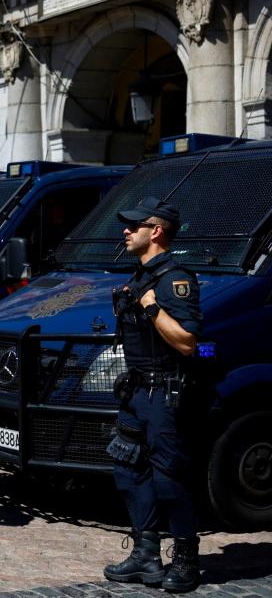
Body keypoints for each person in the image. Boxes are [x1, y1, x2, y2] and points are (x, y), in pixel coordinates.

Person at [103, 197, 203, 593]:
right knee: (128, 470)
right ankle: (146, 556)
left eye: (133, 225)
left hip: (165, 394)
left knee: (169, 479)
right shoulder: (140, 276)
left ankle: (186, 560)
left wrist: (152, 310)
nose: (125, 231)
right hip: (136, 392)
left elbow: (188, 342)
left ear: (156, 231)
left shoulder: (174, 280)